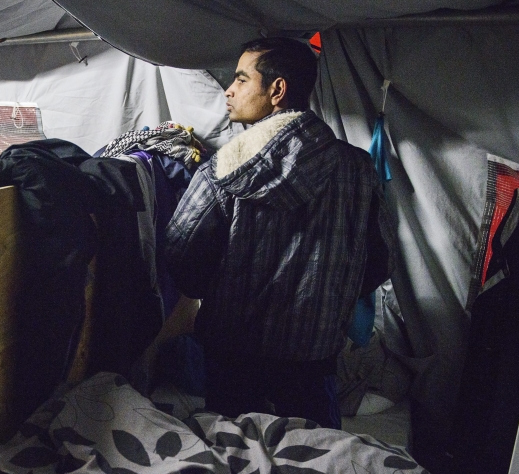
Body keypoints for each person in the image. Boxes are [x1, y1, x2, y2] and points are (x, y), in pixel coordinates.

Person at [165, 37, 390, 429]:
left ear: (277, 90)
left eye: (240, 80)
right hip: (314, 363)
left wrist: (217, 294)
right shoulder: (357, 170)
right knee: (313, 459)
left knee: (237, 459)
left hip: (232, 361)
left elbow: (181, 255)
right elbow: (379, 263)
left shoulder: (222, 171)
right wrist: (327, 305)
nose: (229, 90)